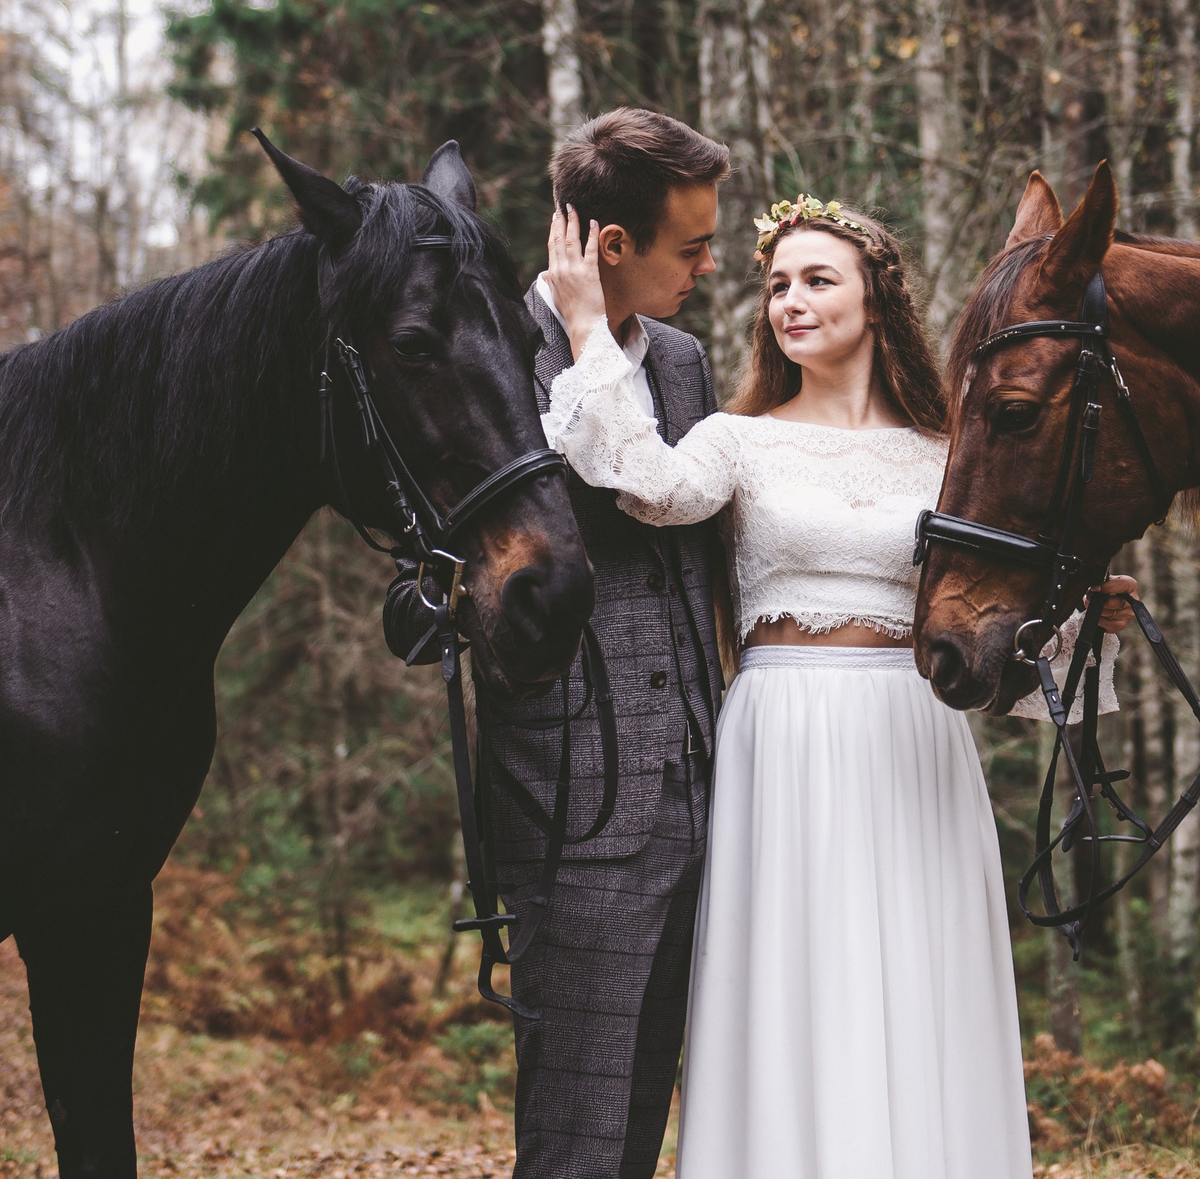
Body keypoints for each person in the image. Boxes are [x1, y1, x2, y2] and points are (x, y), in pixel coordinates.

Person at [542, 192, 1133, 1179]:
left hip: (912, 733)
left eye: (818, 279)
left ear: (875, 297)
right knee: (794, 982)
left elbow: (993, 617)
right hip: (781, 731)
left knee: (915, 976)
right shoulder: (739, 438)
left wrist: (1082, 621)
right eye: (777, 284)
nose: (791, 302)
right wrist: (585, 325)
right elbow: (645, 482)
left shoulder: (949, 455)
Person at [383, 107, 730, 1179]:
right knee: (575, 1136)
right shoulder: (485, 353)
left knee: (649, 1123)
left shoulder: (681, 362)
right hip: (572, 798)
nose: (712, 265)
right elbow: (414, 589)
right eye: (693, 245)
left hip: (709, 791)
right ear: (609, 245)